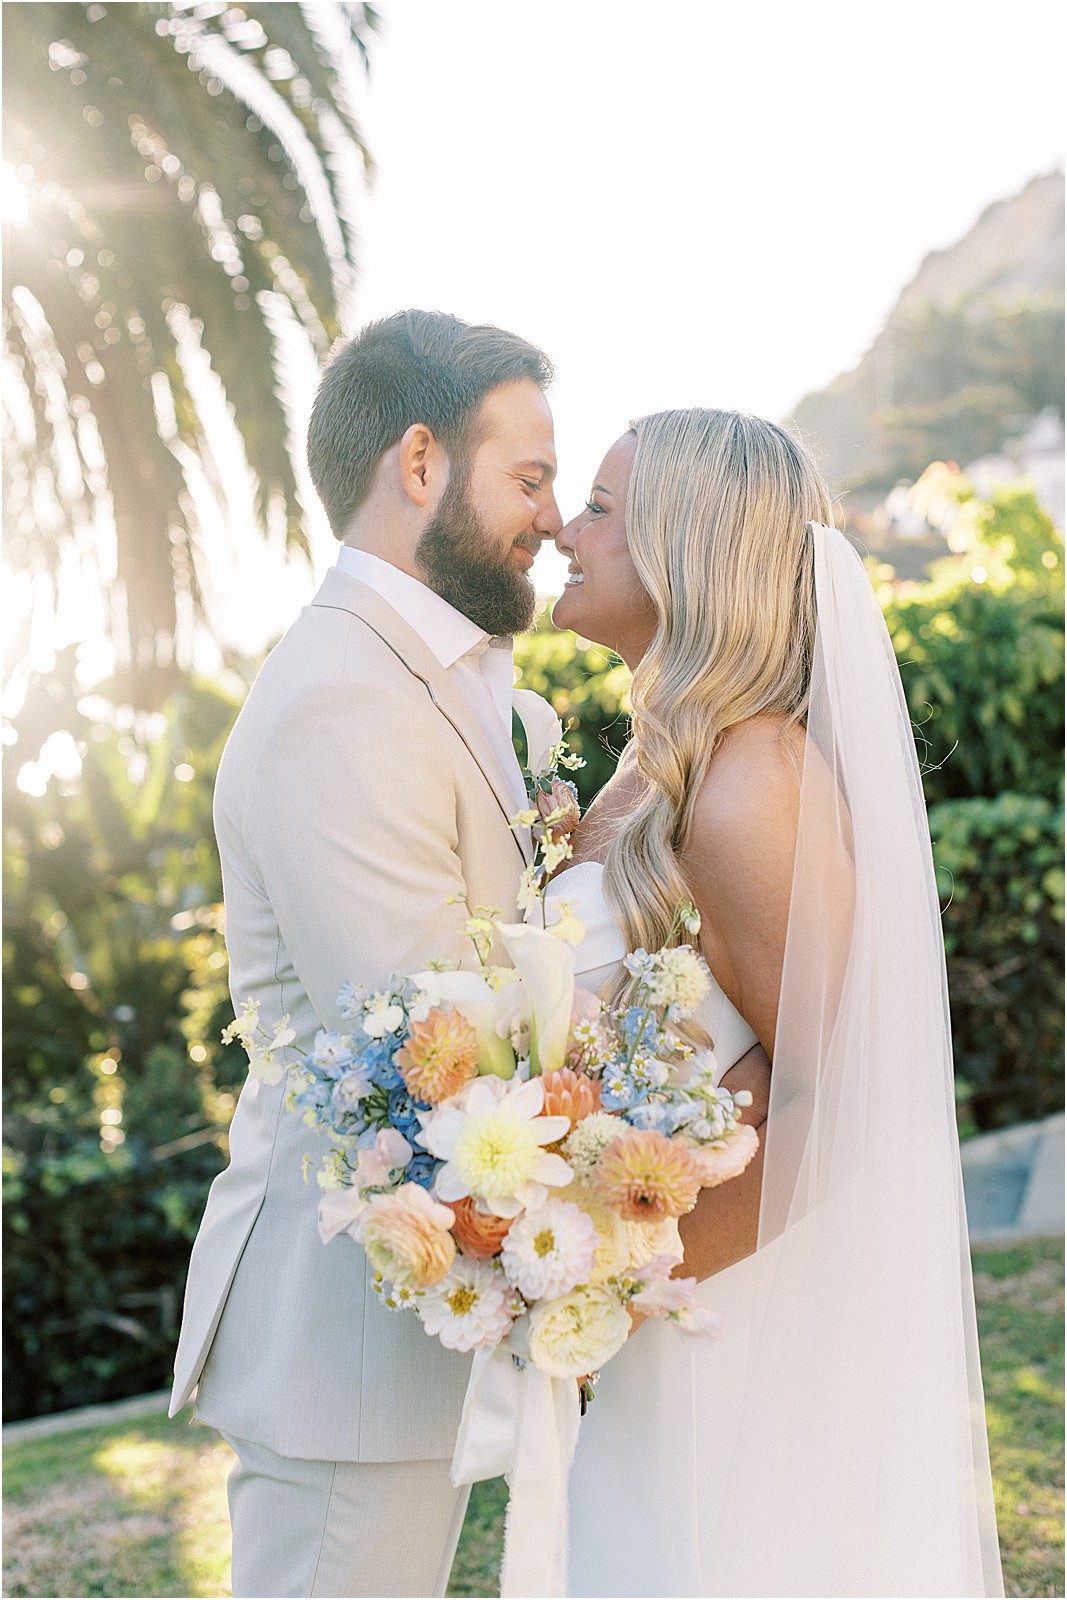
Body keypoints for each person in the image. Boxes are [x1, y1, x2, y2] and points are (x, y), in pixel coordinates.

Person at [544, 409, 1003, 1598]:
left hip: (727, 1338)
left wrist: (610, 1280)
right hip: (669, 1325)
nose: (560, 530)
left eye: (597, 508)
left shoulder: (747, 784)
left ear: (684, 549)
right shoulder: (663, 761)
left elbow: (832, 1099)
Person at [168, 310, 562, 1599]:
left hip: (408, 1325)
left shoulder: (437, 674)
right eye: (528, 477)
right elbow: (429, 1038)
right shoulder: (345, 692)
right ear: (417, 462)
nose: (549, 519)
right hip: (341, 1335)